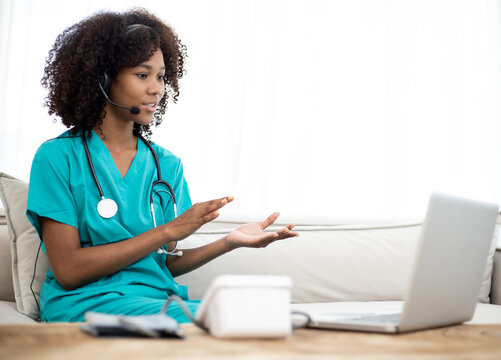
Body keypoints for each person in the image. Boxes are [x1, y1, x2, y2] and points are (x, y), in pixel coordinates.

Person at [27, 8, 298, 323]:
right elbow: (69, 270)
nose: (157, 89)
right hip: (85, 303)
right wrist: (167, 230)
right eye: (143, 75)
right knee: (234, 320)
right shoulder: (58, 158)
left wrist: (228, 242)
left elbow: (159, 263)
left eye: (160, 76)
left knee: (268, 318)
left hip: (156, 300)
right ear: (102, 78)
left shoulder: (166, 165)